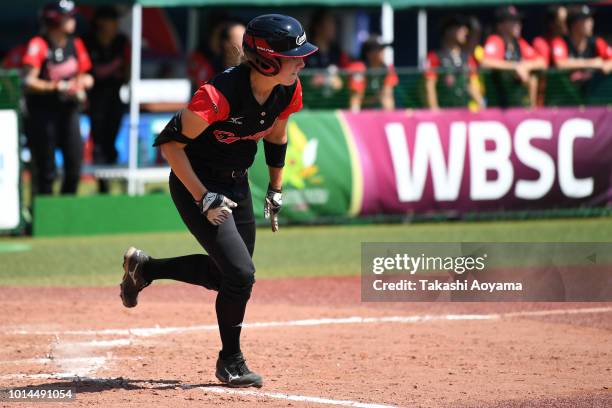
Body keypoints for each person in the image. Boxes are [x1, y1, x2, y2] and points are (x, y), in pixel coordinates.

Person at [119, 14, 317, 388]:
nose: (302, 61)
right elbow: (171, 147)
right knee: (241, 275)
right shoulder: (218, 95)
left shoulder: (288, 89)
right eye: (294, 56)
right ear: (266, 59)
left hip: (237, 187)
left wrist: (275, 188)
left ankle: (145, 270)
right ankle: (231, 361)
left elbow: (277, 135)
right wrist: (203, 196)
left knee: (222, 275)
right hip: (195, 182)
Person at [22, 0, 93, 195]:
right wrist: (56, 86)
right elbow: (27, 81)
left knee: (74, 166)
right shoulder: (39, 44)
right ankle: (44, 217)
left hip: (68, 112)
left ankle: (65, 214)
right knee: (46, 169)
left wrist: (81, 84)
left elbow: (87, 75)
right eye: (67, 17)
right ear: (55, 20)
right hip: (43, 114)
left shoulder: (76, 44)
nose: (72, 20)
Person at [85, 6, 130, 193]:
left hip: (115, 97)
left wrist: (116, 68)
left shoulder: (121, 41)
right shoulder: (88, 41)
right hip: (95, 100)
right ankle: (102, 186)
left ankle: (110, 181)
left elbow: (127, 71)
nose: (116, 25)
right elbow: (96, 72)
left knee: (111, 143)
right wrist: (115, 66)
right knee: (99, 144)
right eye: (112, 20)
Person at [481, 5, 545, 107]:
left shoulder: (519, 43)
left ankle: (532, 109)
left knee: (532, 78)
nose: (518, 24)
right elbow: (486, 62)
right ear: (500, 25)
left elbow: (542, 62)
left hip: (517, 104)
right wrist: (515, 66)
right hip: (498, 106)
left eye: (518, 21)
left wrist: (526, 65)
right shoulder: (496, 40)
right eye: (512, 21)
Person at [424, 16, 484, 110]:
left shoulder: (467, 58)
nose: (465, 31)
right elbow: (430, 86)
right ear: (448, 31)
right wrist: (435, 110)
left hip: (464, 111)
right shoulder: (434, 56)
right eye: (460, 28)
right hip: (444, 112)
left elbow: (471, 85)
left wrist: (482, 105)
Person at [551, 6, 612, 78]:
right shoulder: (560, 42)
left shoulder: (596, 42)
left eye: (590, 19)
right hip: (566, 88)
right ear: (574, 24)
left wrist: (608, 65)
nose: (591, 23)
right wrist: (590, 63)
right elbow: (560, 63)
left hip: (592, 87)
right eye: (585, 20)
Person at [187, 18, 245, 92]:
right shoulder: (210, 68)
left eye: (245, 42)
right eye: (239, 42)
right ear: (226, 44)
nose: (244, 47)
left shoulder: (252, 70)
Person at [347, 35, 398, 111]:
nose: (382, 52)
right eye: (379, 49)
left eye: (383, 49)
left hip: (377, 112)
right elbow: (355, 101)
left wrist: (389, 117)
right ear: (368, 53)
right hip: (355, 113)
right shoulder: (358, 68)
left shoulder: (388, 69)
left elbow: (388, 97)